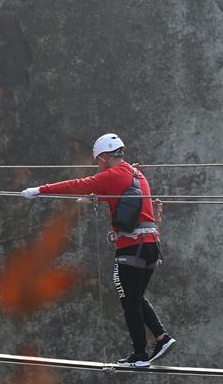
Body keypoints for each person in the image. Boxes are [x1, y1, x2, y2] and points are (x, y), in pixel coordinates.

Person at [21, 133, 176, 367]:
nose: (98, 167)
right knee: (135, 297)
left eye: (98, 162)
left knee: (129, 301)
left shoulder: (112, 174)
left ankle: (140, 355)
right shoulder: (136, 173)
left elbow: (76, 184)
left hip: (131, 247)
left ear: (104, 157)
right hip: (151, 247)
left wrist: (39, 190)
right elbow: (123, 195)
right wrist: (98, 197)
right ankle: (162, 339)